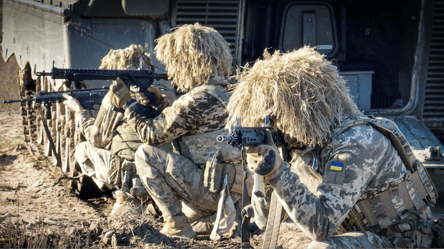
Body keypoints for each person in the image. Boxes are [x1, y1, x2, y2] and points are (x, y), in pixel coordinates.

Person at [225, 46, 438, 248]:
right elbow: (264, 222)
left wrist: (279, 174)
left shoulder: (353, 144)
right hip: (359, 232)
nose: (274, 127)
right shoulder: (303, 146)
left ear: (299, 113)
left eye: (275, 119)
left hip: (400, 239)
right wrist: (264, 175)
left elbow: (321, 228)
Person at [108, 23, 248, 239]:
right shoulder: (229, 92)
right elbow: (195, 129)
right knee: (193, 219)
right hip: (236, 191)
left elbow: (152, 135)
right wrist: (164, 106)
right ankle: (221, 219)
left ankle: (176, 225)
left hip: (212, 190)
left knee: (145, 154)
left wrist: (128, 104)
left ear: (188, 63)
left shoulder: (197, 98)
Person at [63, 45, 175, 214]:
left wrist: (79, 112)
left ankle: (115, 190)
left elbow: (98, 139)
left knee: (82, 149)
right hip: (162, 171)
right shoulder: (161, 95)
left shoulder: (116, 97)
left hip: (128, 170)